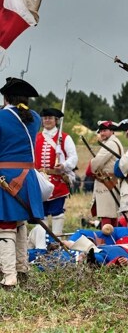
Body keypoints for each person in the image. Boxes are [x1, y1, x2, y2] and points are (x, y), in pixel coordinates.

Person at [0, 77, 44, 288]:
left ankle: (9, 277)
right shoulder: (34, 117)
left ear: (6, 97)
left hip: (6, 177)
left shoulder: (1, 117)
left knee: (5, 226)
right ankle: (21, 269)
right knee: (19, 223)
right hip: (28, 176)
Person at [34, 108, 77, 236]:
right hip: (40, 179)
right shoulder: (36, 137)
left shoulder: (64, 137)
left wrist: (63, 165)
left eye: (50, 118)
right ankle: (43, 241)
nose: (47, 120)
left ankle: (56, 240)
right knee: (42, 213)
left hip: (58, 180)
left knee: (57, 211)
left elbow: (73, 157)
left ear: (56, 120)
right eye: (45, 118)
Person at [86, 120, 123, 227]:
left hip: (107, 182)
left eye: (105, 130)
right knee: (111, 214)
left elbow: (96, 163)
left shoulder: (111, 143)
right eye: (101, 131)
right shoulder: (113, 142)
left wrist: (91, 169)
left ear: (112, 131)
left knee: (106, 213)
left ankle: (108, 241)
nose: (102, 133)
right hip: (111, 181)